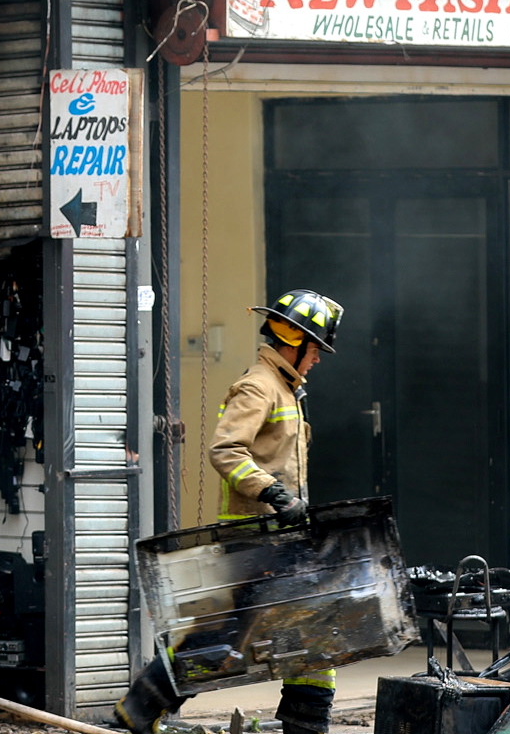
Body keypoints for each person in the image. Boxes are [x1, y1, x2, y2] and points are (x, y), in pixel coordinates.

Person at [113, 289, 345, 734]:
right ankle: (138, 709)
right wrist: (275, 494)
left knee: (311, 634)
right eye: (315, 350)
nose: (317, 360)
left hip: (277, 537)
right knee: (223, 638)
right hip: (253, 538)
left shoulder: (284, 389)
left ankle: (306, 725)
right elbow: (226, 450)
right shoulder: (259, 386)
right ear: (294, 342)